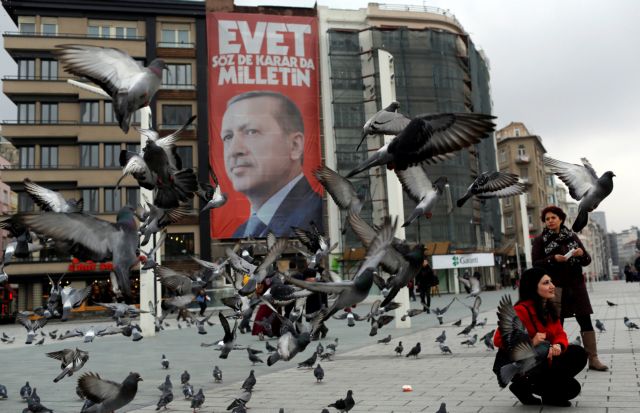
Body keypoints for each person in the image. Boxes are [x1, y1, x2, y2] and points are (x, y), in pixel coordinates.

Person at [221, 90, 323, 238]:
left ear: (295, 145)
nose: (234, 150)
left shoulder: (316, 217)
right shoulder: (240, 233)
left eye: (251, 132)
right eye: (228, 137)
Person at [493, 267, 587, 407]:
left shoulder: (548, 308)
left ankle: (547, 395)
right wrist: (531, 342)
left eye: (551, 282)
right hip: (521, 366)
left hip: (541, 360)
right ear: (533, 287)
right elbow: (497, 339)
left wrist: (558, 345)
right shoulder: (521, 310)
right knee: (572, 389)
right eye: (546, 283)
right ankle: (523, 385)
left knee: (578, 353)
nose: (552, 286)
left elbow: (560, 333)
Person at [531, 205, 607, 371]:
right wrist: (553, 259)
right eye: (547, 219)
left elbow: (587, 260)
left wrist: (581, 254)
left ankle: (593, 359)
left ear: (561, 219)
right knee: (556, 324)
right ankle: (554, 360)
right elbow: (535, 263)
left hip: (576, 286)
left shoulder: (572, 237)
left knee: (585, 321)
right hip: (555, 287)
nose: (550, 221)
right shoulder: (540, 240)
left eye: (553, 218)